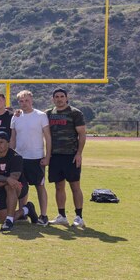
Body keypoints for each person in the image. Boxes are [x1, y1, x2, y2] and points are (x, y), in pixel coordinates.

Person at [46, 88, 87, 227]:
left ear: (66, 97)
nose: (59, 99)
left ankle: (79, 216)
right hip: (55, 155)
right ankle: (62, 215)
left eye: (62, 96)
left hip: (71, 155)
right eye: (56, 96)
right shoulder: (49, 113)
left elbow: (82, 134)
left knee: (75, 186)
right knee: (59, 186)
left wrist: (79, 153)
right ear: (53, 99)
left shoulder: (75, 113)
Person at [10, 89, 52, 225]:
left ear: (32, 100)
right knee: (20, 186)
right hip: (20, 157)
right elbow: (13, 138)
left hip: (36, 157)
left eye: (27, 100)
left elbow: (48, 137)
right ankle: (22, 212)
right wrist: (10, 155)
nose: (24, 103)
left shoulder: (40, 116)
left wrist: (47, 156)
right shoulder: (15, 116)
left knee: (40, 186)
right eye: (21, 101)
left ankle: (43, 215)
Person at [0, 131, 38, 231]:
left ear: (8, 143)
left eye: (1, 142)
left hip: (19, 186)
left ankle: (9, 221)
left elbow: (14, 178)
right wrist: (6, 179)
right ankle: (27, 209)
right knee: (2, 218)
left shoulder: (16, 157)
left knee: (10, 186)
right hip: (0, 188)